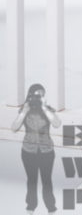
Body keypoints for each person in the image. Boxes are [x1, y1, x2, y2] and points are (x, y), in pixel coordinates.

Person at [12, 83, 60, 213]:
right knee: (31, 180)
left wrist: (44, 107)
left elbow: (56, 124)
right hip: (28, 151)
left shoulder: (47, 109)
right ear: (30, 95)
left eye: (42, 95)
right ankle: (31, 206)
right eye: (36, 95)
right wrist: (24, 111)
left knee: (47, 180)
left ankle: (51, 208)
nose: (38, 98)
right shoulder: (24, 109)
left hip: (47, 151)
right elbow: (14, 128)